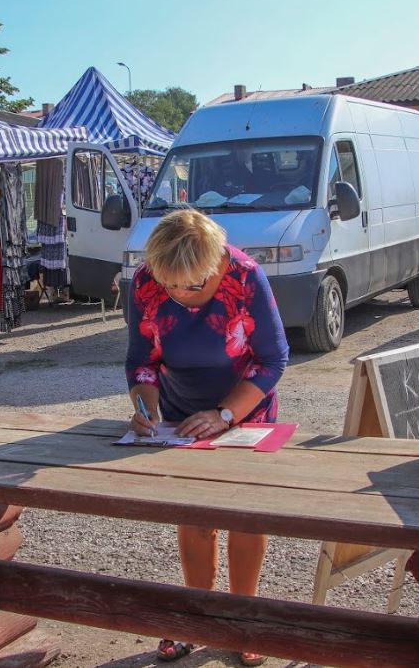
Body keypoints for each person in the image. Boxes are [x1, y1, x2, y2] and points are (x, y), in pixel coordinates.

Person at [125, 209, 288, 667]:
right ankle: (195, 618)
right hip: (179, 414)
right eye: (171, 286)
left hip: (246, 410)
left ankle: (243, 621)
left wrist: (224, 415)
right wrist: (144, 409)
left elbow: (272, 360)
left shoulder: (248, 277)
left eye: (193, 285)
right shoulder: (144, 282)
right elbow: (141, 359)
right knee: (194, 516)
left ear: (218, 263)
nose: (180, 294)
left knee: (245, 516)